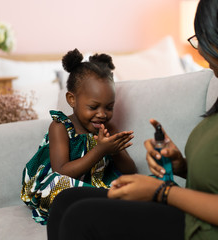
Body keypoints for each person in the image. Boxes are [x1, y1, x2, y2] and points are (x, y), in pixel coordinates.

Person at [46, 0, 218, 239]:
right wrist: (181, 165)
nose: (200, 48)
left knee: (82, 218)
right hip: (202, 217)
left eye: (203, 37)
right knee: (66, 201)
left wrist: (162, 192)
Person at [20, 48, 137, 225]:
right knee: (59, 187)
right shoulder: (60, 127)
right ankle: (102, 206)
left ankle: (102, 206)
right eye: (93, 107)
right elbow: (62, 171)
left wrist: (115, 150)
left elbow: (130, 170)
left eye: (109, 107)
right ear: (72, 100)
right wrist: (99, 151)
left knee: (138, 184)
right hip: (63, 185)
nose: (102, 114)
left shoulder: (108, 128)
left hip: (97, 187)